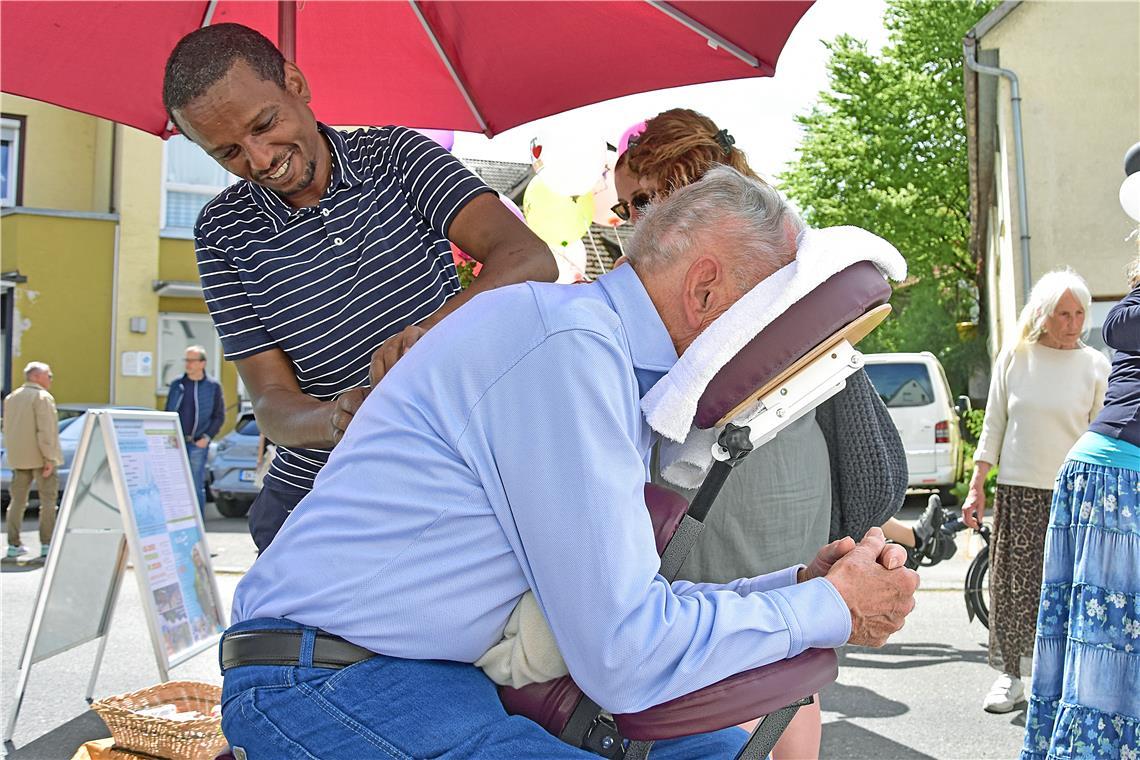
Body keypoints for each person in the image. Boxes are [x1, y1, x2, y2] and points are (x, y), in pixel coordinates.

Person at [219, 167, 921, 759]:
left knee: (721, 751)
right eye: (770, 313)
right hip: (322, 682)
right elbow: (625, 656)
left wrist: (795, 586)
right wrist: (829, 606)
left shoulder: (590, 350)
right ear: (706, 288)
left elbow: (629, 612)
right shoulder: (568, 347)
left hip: (408, 676)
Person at [162, 24, 555, 552]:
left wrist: (426, 337)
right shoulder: (220, 230)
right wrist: (335, 418)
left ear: (296, 85)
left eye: (265, 124)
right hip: (316, 500)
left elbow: (529, 257)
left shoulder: (396, 156)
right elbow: (273, 405)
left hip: (449, 478)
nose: (258, 160)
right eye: (228, 152)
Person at [613, 108, 912, 759]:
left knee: (723, 663)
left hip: (717, 484)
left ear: (677, 186)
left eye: (636, 201)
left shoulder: (696, 278)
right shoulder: (784, 248)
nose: (629, 221)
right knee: (790, 665)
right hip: (792, 471)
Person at [962, 269, 1110, 713]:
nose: (1073, 322)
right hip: (1019, 492)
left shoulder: (1095, 365)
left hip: (1074, 493)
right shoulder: (1015, 358)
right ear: (1044, 316)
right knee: (1013, 588)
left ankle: (1066, 680)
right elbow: (994, 427)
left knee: (1069, 587)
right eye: (1063, 313)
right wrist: (976, 488)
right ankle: (1010, 676)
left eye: (1079, 313)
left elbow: (1103, 435)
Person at [1020, 257, 1140, 758]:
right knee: (1111, 648)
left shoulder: (1129, 307)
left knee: (1094, 642)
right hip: (1120, 481)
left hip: (1097, 471)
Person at [3, 362, 63, 559]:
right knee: (48, 502)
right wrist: (49, 458)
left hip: (19, 458)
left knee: (17, 502)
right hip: (41, 458)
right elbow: (45, 431)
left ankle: (13, 545)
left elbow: (8, 429)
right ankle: (46, 545)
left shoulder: (11, 398)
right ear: (37, 376)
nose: (51, 379)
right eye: (49, 375)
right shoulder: (42, 397)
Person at [164, 345, 225, 516]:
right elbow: (168, 410)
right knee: (174, 483)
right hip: (175, 442)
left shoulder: (212, 386)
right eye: (186, 360)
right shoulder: (178, 384)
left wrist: (206, 437)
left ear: (202, 363)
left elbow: (219, 416)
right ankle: (176, 518)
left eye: (192, 360)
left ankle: (197, 522)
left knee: (195, 484)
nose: (188, 364)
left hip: (197, 443)